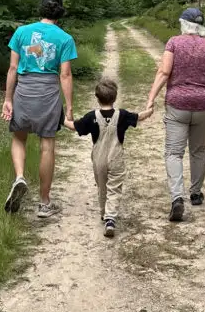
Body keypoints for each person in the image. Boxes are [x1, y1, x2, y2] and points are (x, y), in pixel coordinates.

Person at [145, 7, 205, 222]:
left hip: (177, 105)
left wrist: (150, 99)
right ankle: (195, 193)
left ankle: (177, 198)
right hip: (203, 105)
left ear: (183, 23)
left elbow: (164, 72)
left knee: (174, 153)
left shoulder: (174, 43)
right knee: (198, 150)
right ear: (201, 26)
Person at [2, 0, 77, 219]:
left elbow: (13, 69)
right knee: (47, 146)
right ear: (60, 13)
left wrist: (8, 98)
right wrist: (70, 106)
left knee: (19, 137)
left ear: (41, 10)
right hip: (48, 93)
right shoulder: (65, 38)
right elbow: (65, 74)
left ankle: (20, 177)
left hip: (24, 91)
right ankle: (44, 204)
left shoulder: (21, 32)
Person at [65, 77, 153, 238]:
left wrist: (62, 119)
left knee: (102, 186)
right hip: (116, 157)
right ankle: (110, 218)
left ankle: (104, 212)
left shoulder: (91, 116)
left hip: (98, 159)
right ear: (115, 97)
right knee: (114, 188)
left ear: (97, 98)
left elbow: (74, 127)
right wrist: (149, 110)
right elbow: (139, 117)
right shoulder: (123, 115)